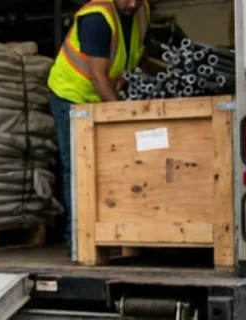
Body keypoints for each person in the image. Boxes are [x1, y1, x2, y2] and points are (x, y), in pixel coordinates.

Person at [46, 0, 150, 246]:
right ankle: (77, 238)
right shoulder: (97, 18)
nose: (133, 4)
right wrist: (123, 116)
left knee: (109, 164)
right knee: (78, 165)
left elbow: (139, 54)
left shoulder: (142, 11)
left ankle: (109, 232)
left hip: (102, 94)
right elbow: (98, 76)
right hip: (71, 94)